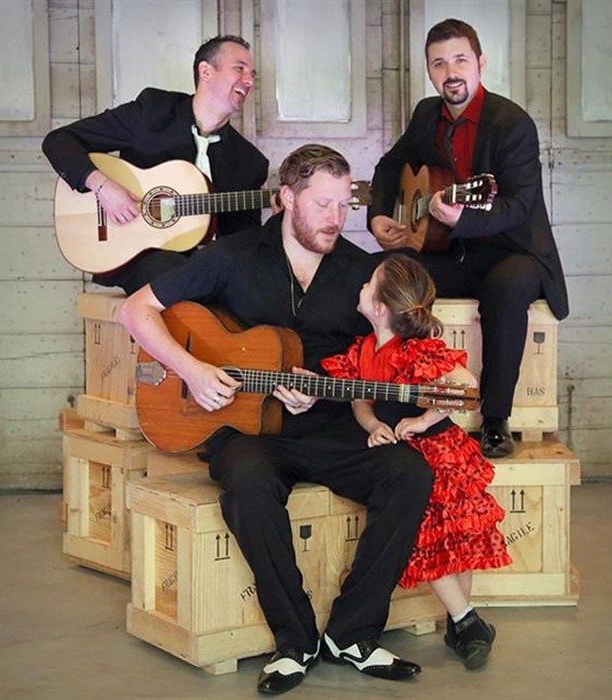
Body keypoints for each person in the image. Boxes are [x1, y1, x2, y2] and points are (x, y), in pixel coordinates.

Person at [118, 144, 433, 695]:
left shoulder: (365, 272)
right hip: (247, 428)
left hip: (332, 424)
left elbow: (381, 354)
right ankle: (295, 641)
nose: (336, 217)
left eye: (344, 204)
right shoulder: (231, 256)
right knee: (247, 484)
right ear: (287, 198)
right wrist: (192, 370)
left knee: (410, 474)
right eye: (322, 204)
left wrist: (340, 388)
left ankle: (352, 634)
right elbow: (135, 310)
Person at [367, 19, 569, 458]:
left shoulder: (512, 123)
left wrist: (463, 218)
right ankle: (394, 405)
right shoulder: (427, 115)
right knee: (383, 273)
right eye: (439, 63)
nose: (451, 72)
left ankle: (495, 420)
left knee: (507, 287)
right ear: (428, 70)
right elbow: (390, 166)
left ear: (481, 62)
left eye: (460, 60)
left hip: (512, 251)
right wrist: (379, 214)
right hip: (450, 251)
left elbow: (518, 205)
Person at [321, 253, 512, 670]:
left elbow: (465, 386)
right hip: (407, 460)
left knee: (454, 539)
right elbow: (360, 400)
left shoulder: (414, 351)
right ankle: (466, 624)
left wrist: (424, 419)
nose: (361, 286)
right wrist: (373, 425)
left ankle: (462, 621)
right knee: (428, 536)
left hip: (441, 454)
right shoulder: (364, 350)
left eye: (368, 283)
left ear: (380, 308)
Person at [43, 35, 269, 294]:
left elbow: (240, 244)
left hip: (200, 263)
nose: (249, 81)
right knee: (178, 275)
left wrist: (277, 224)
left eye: (253, 74)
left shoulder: (249, 161)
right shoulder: (153, 112)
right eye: (240, 69)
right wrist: (103, 187)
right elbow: (58, 141)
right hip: (136, 254)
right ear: (206, 71)